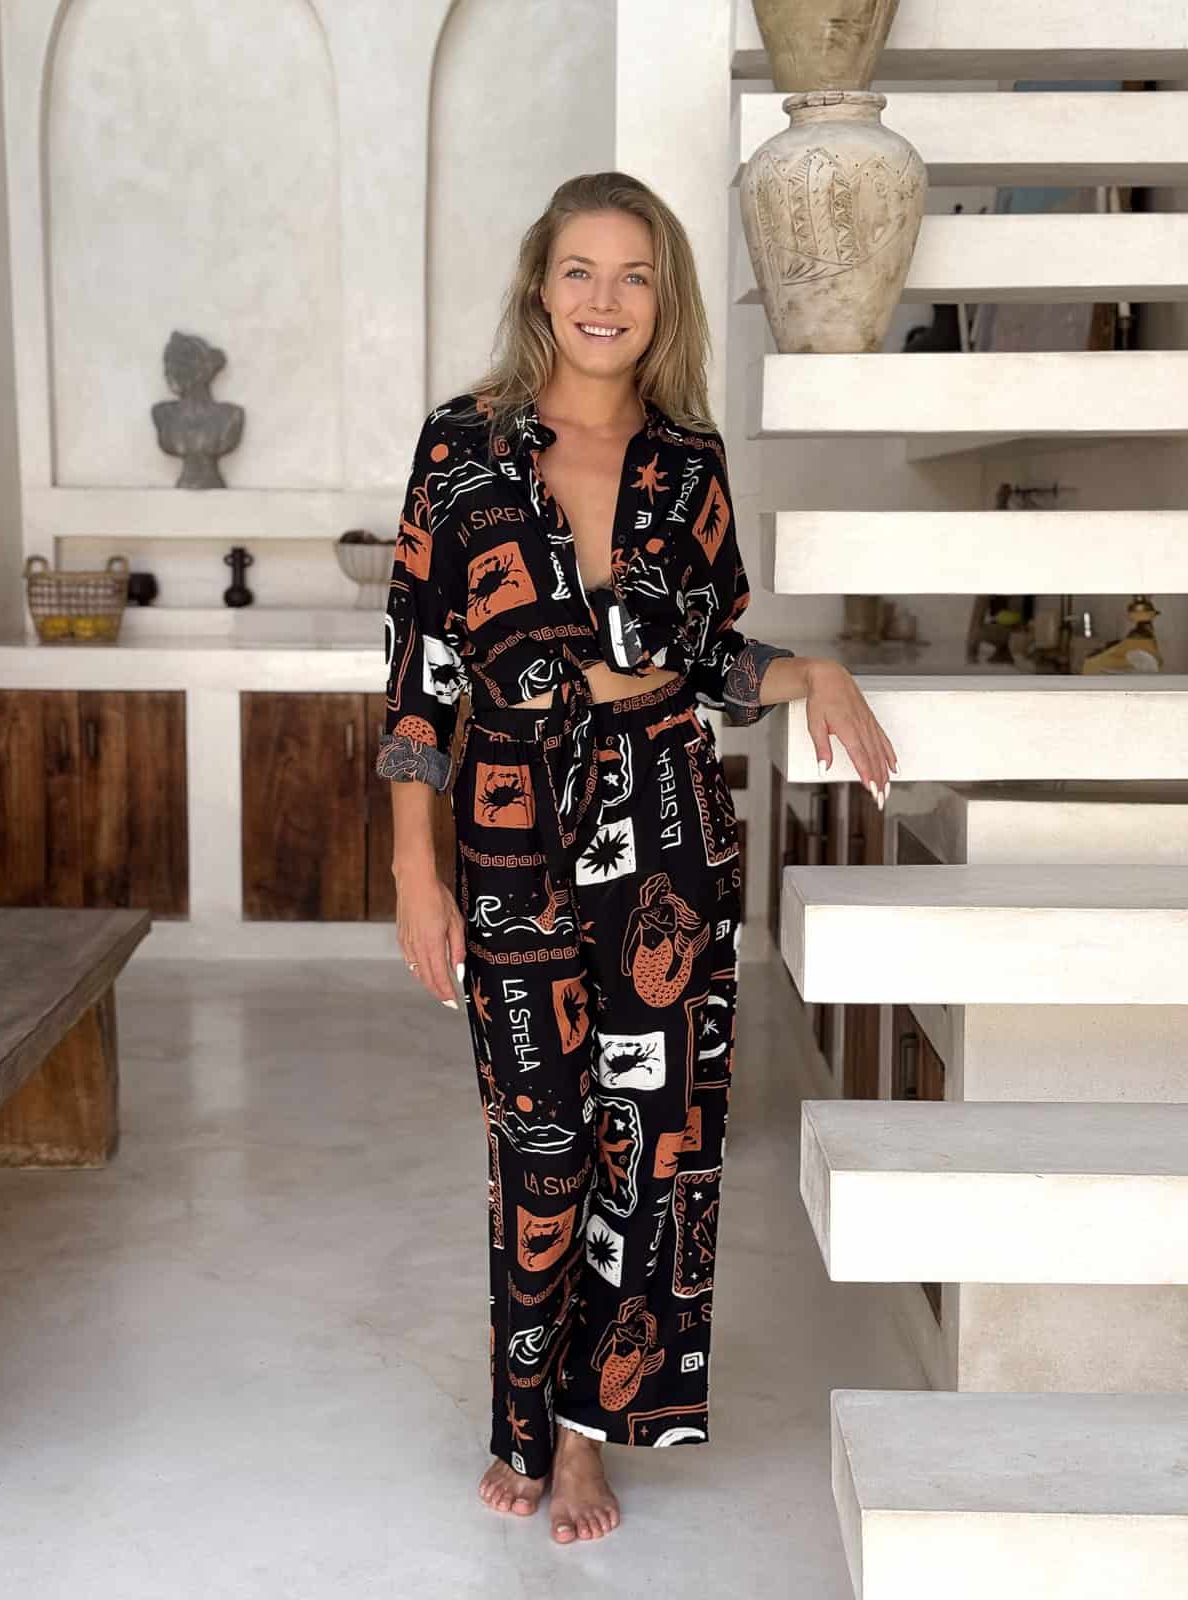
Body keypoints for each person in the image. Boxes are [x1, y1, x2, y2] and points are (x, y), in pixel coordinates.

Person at [376, 172, 897, 1545]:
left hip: (668, 819)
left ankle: (584, 1439)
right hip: (508, 825)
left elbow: (713, 655)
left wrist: (810, 669)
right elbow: (421, 680)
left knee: (653, 1149)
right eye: (580, 271)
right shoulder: (461, 447)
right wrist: (416, 871)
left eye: (635, 275)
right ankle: (524, 1414)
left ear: (663, 299)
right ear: (539, 286)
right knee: (541, 1143)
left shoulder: (688, 461)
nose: (605, 300)